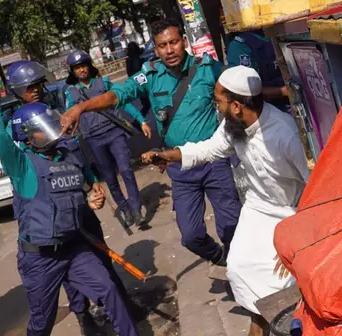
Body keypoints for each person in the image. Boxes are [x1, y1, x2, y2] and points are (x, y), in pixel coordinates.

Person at [0, 91, 160, 336]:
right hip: (40, 258)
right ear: (27, 136)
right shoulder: (22, 164)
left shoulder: (68, 158)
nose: (51, 131)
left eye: (51, 124)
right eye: (42, 128)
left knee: (109, 291)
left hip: (75, 249)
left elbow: (85, 192)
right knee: (42, 318)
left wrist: (93, 199)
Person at [141, 66, 309, 336]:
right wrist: (170, 155)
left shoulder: (284, 135)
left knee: (286, 270)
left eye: (217, 101)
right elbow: (209, 149)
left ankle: (291, 330)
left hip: (293, 213)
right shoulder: (232, 125)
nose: (213, 107)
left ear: (236, 105)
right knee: (239, 265)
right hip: (258, 208)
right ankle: (260, 326)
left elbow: (315, 187)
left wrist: (299, 238)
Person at [62, 19, 242, 266]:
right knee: (190, 236)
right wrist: (81, 107)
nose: (169, 50)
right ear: (155, 49)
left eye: (174, 42)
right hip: (180, 167)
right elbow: (118, 95)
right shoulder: (150, 75)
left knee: (232, 226)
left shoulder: (207, 69)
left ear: (184, 42)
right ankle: (219, 257)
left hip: (214, 161)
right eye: (162, 45)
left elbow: (239, 94)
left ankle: (239, 269)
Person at [5, 60, 111, 336]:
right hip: (45, 204)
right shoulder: (16, 126)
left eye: (38, 85)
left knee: (97, 253)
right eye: (30, 87)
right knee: (66, 260)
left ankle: (108, 304)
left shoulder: (53, 109)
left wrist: (90, 180)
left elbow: (72, 151)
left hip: (75, 192)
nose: (36, 90)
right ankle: (83, 314)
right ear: (17, 91)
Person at [65, 50, 151, 227]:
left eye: (83, 66)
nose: (81, 70)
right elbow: (68, 117)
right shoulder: (70, 93)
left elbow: (124, 101)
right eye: (77, 68)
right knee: (110, 179)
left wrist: (142, 121)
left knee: (126, 170)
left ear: (89, 66)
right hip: (94, 140)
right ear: (72, 72)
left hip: (114, 133)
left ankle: (137, 210)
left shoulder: (103, 83)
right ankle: (125, 209)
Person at [226, 30, 289, 111]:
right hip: (268, 110)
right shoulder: (240, 46)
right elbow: (246, 90)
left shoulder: (282, 32)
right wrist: (284, 91)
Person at [125, 42, 152, 120]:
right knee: (149, 103)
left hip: (136, 83)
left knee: (146, 104)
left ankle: (140, 120)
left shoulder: (128, 61)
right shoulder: (141, 60)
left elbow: (129, 74)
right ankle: (140, 121)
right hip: (144, 83)